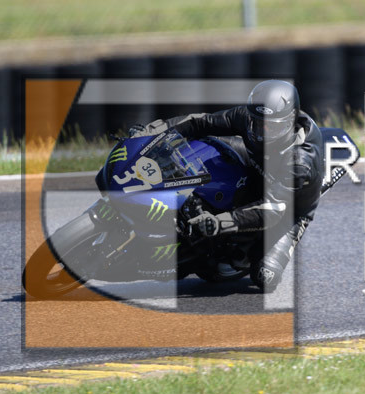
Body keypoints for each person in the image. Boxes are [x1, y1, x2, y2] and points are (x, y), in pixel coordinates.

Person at [130, 80, 324, 291]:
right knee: (206, 145)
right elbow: (201, 121)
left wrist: (219, 222)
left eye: (272, 126)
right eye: (258, 123)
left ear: (290, 123)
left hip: (287, 210)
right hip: (256, 166)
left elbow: (272, 209)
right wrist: (152, 133)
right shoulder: (248, 118)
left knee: (265, 276)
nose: (263, 131)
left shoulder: (299, 162)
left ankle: (238, 251)